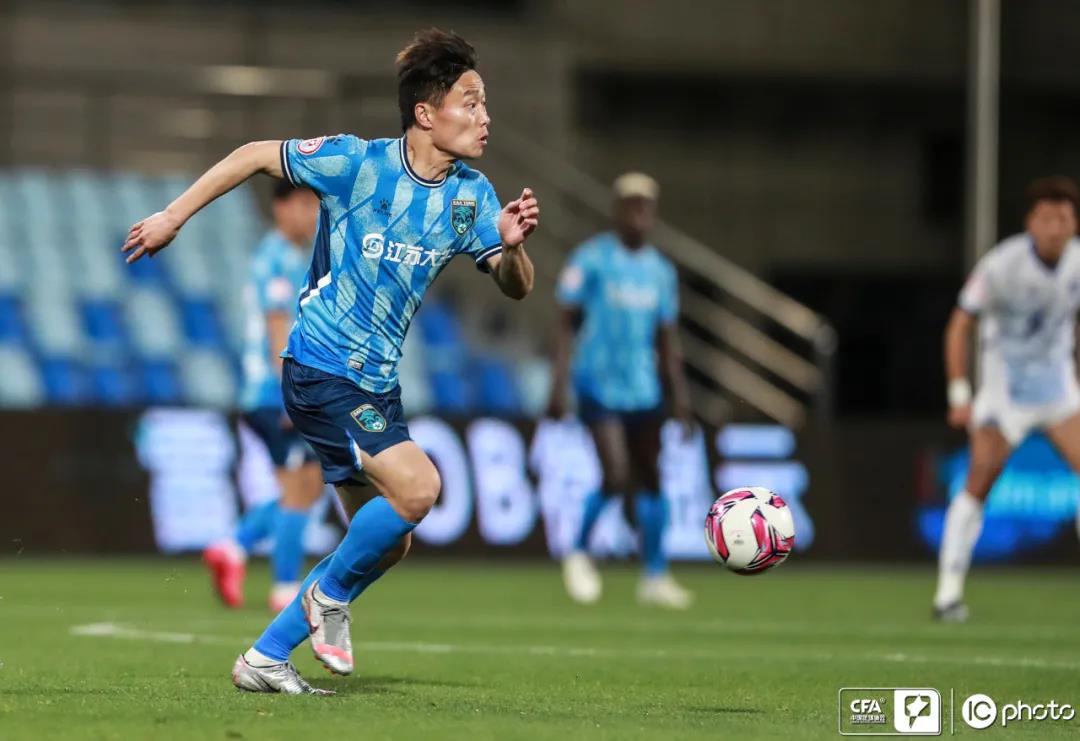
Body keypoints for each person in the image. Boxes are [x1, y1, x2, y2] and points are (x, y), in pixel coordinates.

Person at [122, 29, 539, 694]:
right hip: (320, 366)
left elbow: (517, 287)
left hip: (377, 384)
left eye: (484, 103)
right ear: (426, 113)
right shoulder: (356, 163)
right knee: (419, 488)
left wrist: (513, 247)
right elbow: (254, 154)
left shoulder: (472, 196)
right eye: (471, 102)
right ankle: (328, 597)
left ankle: (265, 657)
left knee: (390, 539)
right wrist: (173, 215)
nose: (485, 116)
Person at [935, 175, 1080, 622]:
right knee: (978, 482)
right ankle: (947, 595)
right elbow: (959, 326)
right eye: (1047, 218)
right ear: (1030, 222)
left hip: (1058, 391)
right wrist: (960, 393)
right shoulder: (1001, 265)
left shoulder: (1078, 262)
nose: (1055, 228)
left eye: (1063, 218)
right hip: (1005, 394)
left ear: (1074, 224)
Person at [549, 172, 694, 610]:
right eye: (631, 204)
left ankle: (655, 575)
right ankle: (578, 551)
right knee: (614, 475)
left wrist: (680, 397)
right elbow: (566, 324)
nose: (639, 213)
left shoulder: (660, 271)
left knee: (652, 478)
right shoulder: (591, 259)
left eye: (645, 206)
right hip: (597, 383)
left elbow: (666, 339)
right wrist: (559, 384)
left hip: (644, 388)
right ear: (617, 211)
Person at [203, 181, 325, 613]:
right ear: (281, 207)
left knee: (311, 486)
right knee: (297, 490)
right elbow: (278, 329)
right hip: (272, 394)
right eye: (305, 204)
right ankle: (285, 589)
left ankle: (233, 546)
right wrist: (292, 394)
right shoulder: (275, 259)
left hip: (280, 392)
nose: (313, 214)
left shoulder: (297, 256)